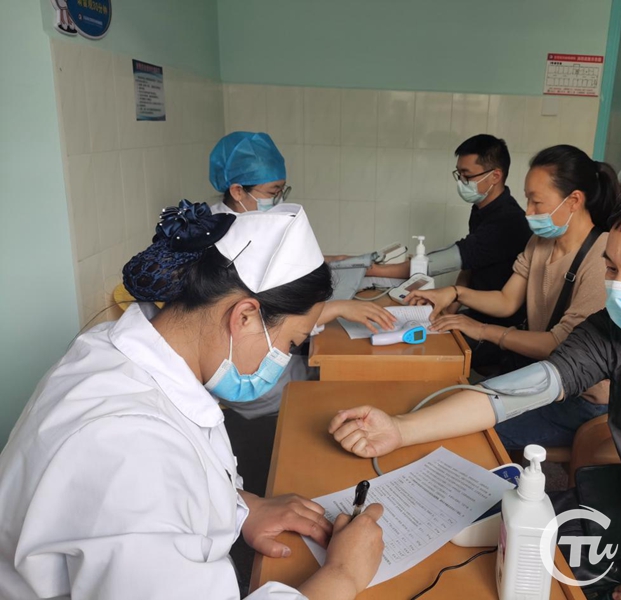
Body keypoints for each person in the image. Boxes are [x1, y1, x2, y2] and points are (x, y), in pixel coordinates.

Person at [330, 179, 621, 598]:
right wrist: (401, 428)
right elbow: (536, 384)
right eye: (611, 269)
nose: (619, 288)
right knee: (474, 548)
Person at [0, 200, 384, 600]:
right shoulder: (129, 447)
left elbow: (180, 483)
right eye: (290, 343)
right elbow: (151, 480)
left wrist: (243, 507)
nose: (284, 359)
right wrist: (343, 575)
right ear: (244, 317)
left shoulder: (121, 352)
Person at [207, 131, 396, 496]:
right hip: (252, 376)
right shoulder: (223, 239)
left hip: (263, 355)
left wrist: (334, 263)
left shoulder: (243, 221)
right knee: (329, 384)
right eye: (272, 191)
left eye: (282, 190)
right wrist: (339, 307)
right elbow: (264, 312)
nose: (278, 200)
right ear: (237, 190)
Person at [405, 145, 615, 447]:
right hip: (538, 373)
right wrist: (454, 292)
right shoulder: (540, 242)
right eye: (528, 199)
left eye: (536, 202)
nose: (528, 211)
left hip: (581, 397)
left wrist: (481, 329)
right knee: (449, 406)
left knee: (467, 429)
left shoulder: (602, 257)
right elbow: (506, 301)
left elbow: (558, 344)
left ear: (574, 200)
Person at [362, 134, 531, 329]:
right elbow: (471, 264)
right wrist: (450, 310)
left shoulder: (507, 221)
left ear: (495, 176)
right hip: (475, 312)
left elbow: (442, 261)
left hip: (499, 325)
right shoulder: (481, 209)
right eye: (459, 174)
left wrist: (371, 268)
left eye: (467, 175)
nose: (461, 181)